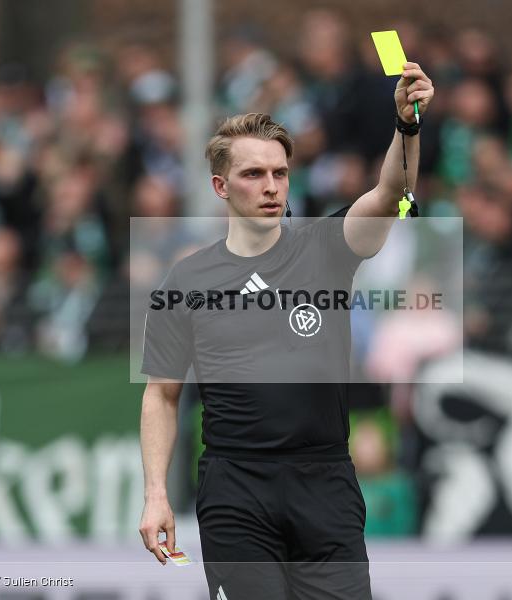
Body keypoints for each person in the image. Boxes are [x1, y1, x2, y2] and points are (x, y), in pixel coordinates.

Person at [139, 62, 433, 599]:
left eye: (280, 173)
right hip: (236, 489)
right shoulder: (188, 278)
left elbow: (391, 194)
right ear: (220, 187)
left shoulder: (326, 250)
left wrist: (406, 126)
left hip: (325, 484)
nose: (271, 187)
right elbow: (161, 394)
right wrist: (156, 493)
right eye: (253, 175)